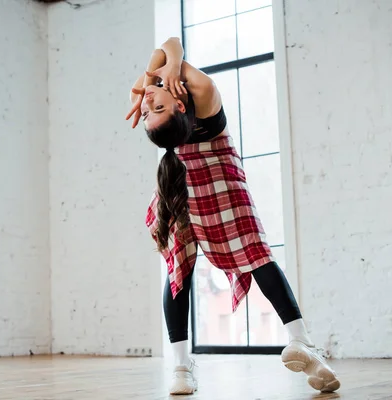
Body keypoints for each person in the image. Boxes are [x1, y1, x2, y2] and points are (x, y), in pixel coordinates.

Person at [125, 37, 341, 396]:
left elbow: (163, 50)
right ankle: (297, 340)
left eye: (148, 111)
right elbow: (169, 48)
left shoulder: (176, 94)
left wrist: (154, 78)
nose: (146, 104)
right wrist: (171, 66)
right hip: (198, 186)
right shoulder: (201, 92)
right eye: (152, 110)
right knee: (210, 265)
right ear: (178, 106)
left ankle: (183, 368)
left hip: (197, 188)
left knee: (212, 265)